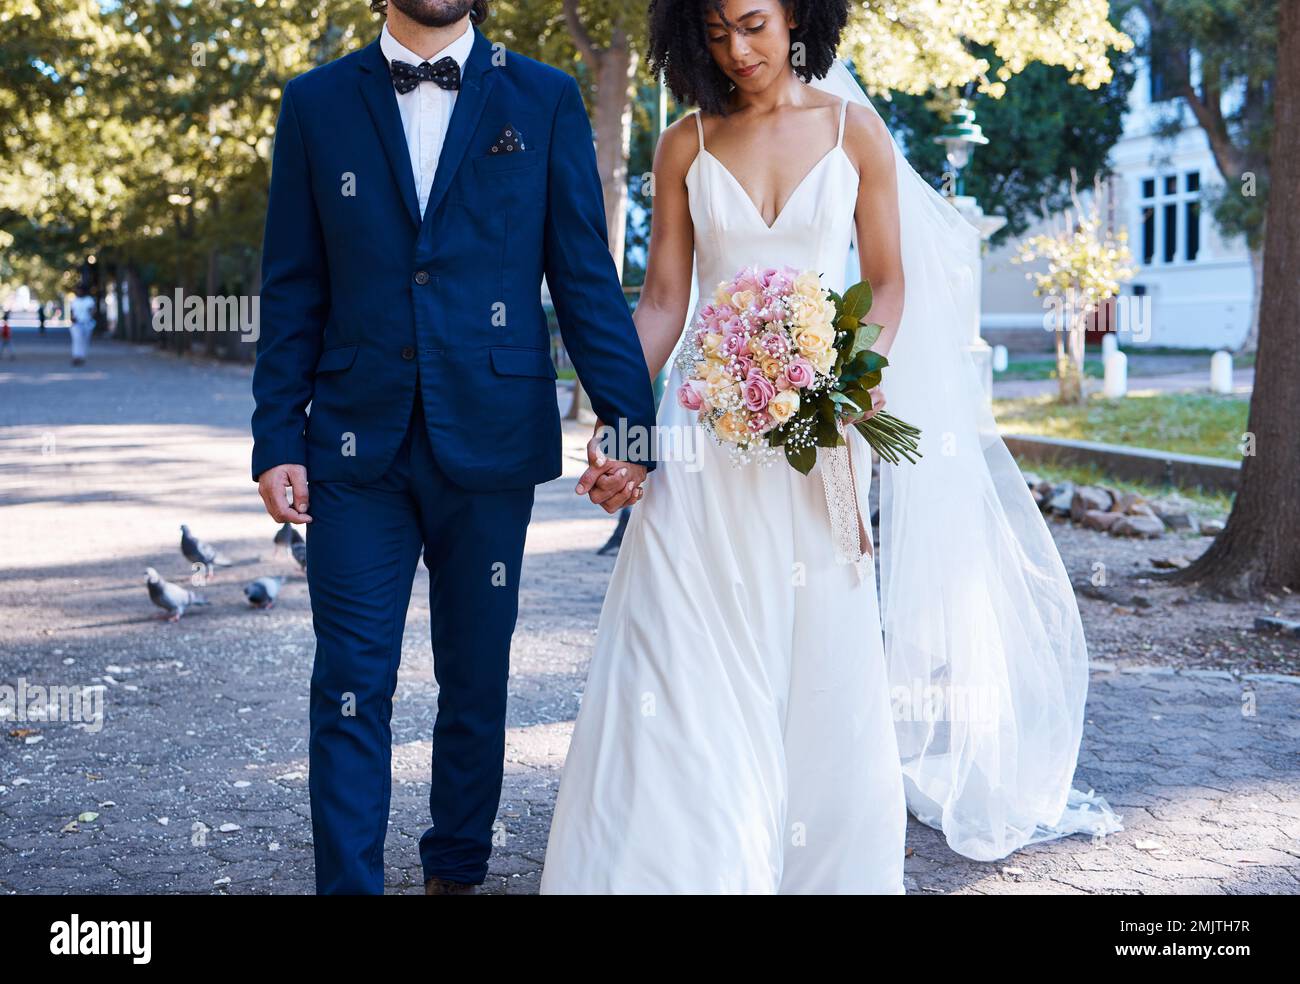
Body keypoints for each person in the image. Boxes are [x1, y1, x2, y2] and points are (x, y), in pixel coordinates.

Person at [540, 0, 1121, 894]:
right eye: (717, 32)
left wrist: (851, 373)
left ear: (799, 16)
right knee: (679, 642)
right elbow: (662, 302)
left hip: (817, 439)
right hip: (702, 436)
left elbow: (888, 285)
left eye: (755, 23)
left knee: (817, 652)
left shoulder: (856, 132)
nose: (738, 48)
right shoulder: (685, 143)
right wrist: (621, 423)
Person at [250, 0, 657, 895]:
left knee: (476, 676)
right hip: (355, 447)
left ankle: (457, 868)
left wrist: (630, 429)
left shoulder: (543, 98)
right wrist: (277, 435)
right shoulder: (315, 102)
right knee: (352, 677)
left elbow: (583, 275)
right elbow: (290, 284)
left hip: (492, 433)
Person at [68, 287, 96, 366]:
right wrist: (72, 318)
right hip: (77, 323)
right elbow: (72, 311)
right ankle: (76, 356)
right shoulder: (75, 300)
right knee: (77, 339)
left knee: (85, 340)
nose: (79, 292)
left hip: (87, 323)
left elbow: (92, 310)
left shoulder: (89, 300)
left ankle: (82, 356)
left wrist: (90, 316)